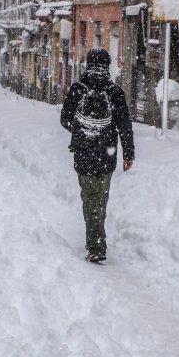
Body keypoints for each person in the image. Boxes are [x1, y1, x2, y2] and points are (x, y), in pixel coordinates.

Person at [60, 48, 134, 264]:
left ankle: (94, 244)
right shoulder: (114, 91)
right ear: (107, 66)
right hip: (107, 154)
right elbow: (125, 126)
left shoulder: (77, 88)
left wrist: (81, 130)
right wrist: (128, 154)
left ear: (88, 64)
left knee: (89, 199)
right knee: (101, 200)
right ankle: (97, 243)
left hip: (83, 153)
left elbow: (65, 119)